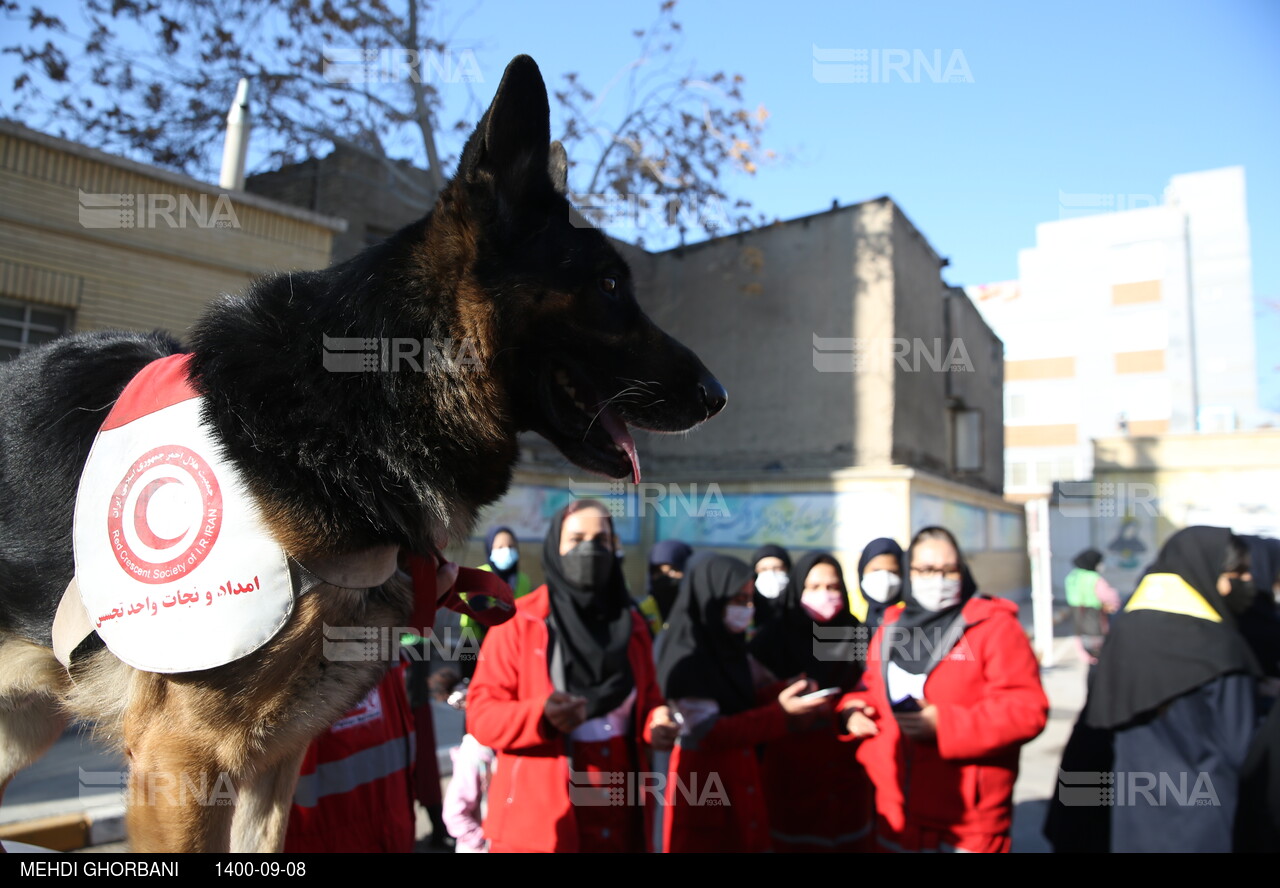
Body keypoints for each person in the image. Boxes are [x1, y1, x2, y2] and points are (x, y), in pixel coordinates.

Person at [465, 500, 676, 853]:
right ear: (555, 547)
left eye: (602, 540)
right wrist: (540, 715)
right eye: (576, 538)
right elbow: (481, 716)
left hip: (622, 810)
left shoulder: (633, 624)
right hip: (542, 819)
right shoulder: (520, 623)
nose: (590, 549)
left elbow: (650, 698)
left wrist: (658, 719)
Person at [842, 526, 1047, 853]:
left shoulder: (995, 627)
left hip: (965, 821)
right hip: (895, 811)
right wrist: (851, 709)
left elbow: (1027, 710)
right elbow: (870, 688)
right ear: (910, 572)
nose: (937, 579)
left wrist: (947, 724)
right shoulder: (891, 627)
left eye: (948, 570)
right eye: (925, 570)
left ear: (962, 570)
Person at [1083, 526, 1261, 853]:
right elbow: (1243, 746)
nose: (1246, 583)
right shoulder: (1217, 645)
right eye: (1238, 573)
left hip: (1133, 812)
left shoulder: (1126, 631)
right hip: (1205, 817)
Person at [656, 554, 831, 853]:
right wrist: (780, 713)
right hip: (703, 790)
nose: (747, 610)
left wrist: (783, 691)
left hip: (741, 780)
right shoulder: (687, 659)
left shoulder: (731, 649)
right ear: (711, 598)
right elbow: (709, 730)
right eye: (737, 600)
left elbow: (741, 699)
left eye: (750, 600)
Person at [754, 551, 875, 852]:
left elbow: (870, 685)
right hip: (788, 773)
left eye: (833, 587)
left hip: (847, 770)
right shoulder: (770, 638)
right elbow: (749, 701)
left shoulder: (857, 632)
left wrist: (849, 707)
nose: (825, 595)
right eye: (814, 587)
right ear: (798, 589)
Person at [1064, 549, 1120, 669]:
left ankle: (1087, 659)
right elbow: (1110, 597)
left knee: (1081, 638)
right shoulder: (1093, 578)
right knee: (1097, 646)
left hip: (1077, 614)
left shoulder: (1072, 576)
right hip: (1094, 614)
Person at [636, 539, 694, 636]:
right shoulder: (641, 613)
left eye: (673, 570)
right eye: (658, 572)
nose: (665, 577)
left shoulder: (697, 613)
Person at [856, 538, 906, 634]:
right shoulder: (850, 606)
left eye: (892, 572)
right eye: (876, 570)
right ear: (862, 570)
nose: (885, 578)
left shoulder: (910, 610)